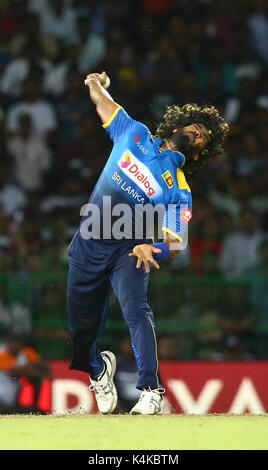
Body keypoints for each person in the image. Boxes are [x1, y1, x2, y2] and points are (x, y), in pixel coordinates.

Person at [67, 71, 229, 415]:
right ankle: (98, 369)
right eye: (197, 127)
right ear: (177, 126)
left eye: (204, 138)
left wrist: (151, 248)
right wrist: (94, 82)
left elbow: (175, 243)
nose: (199, 133)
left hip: (131, 248)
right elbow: (103, 104)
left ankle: (151, 391)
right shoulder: (134, 132)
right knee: (79, 331)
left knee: (136, 311)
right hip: (90, 238)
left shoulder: (179, 189)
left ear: (200, 154)